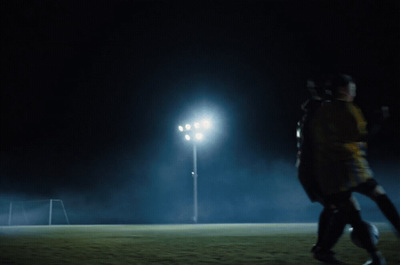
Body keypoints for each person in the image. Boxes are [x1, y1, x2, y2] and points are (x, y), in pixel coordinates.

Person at [311, 74, 400, 265]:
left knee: (350, 209)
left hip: (329, 172)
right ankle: (390, 239)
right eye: (352, 90)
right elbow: (361, 137)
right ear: (344, 90)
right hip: (350, 167)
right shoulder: (348, 109)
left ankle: (373, 256)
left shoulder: (321, 112)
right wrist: (379, 122)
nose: (353, 94)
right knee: (378, 196)